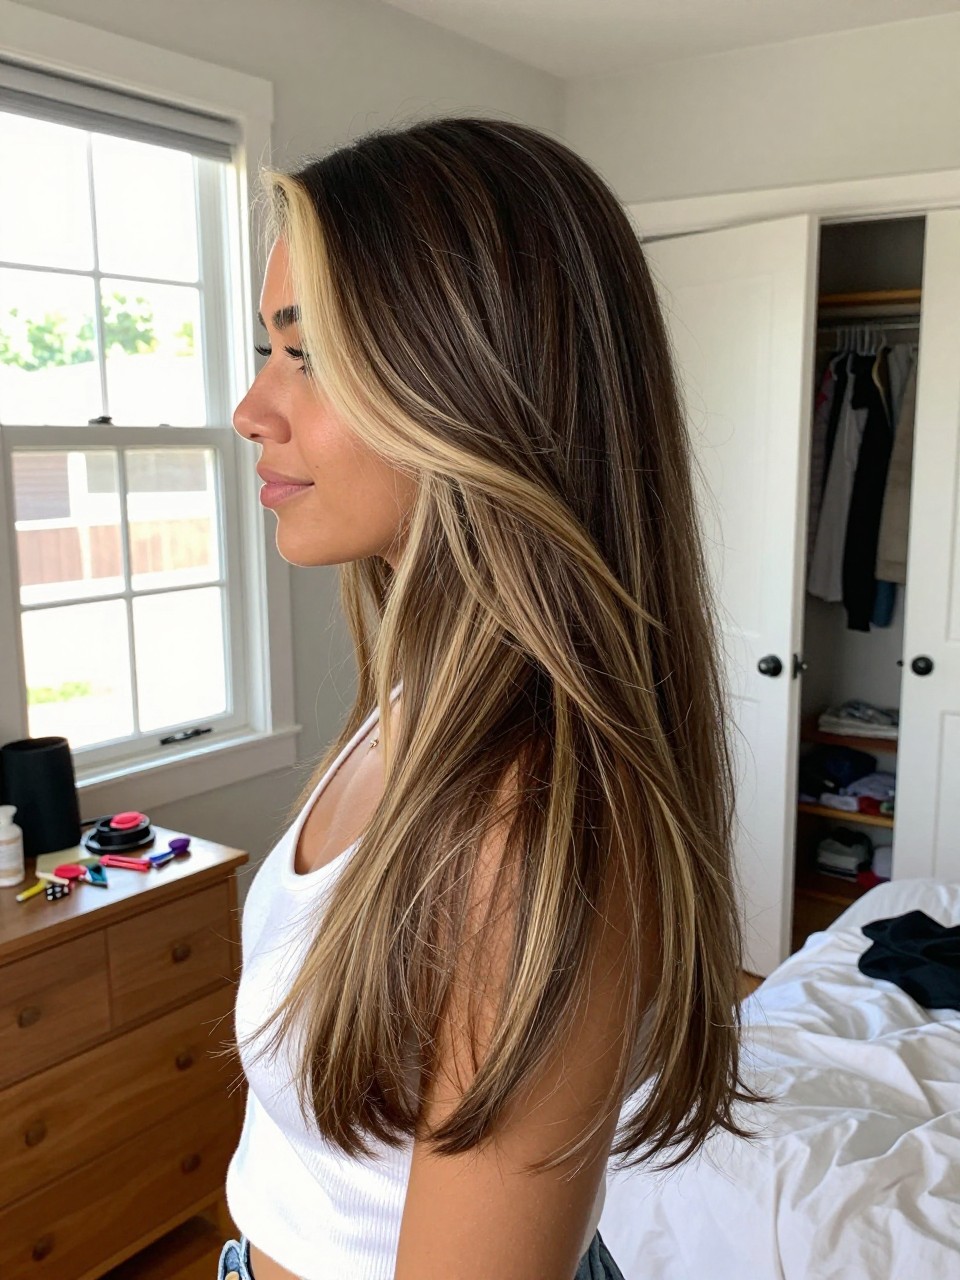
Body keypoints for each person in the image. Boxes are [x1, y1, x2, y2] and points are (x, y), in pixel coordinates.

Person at [225, 116, 758, 1280]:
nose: (252, 410)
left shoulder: (519, 826)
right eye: (266, 349)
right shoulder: (420, 699)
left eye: (305, 353)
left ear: (470, 382)